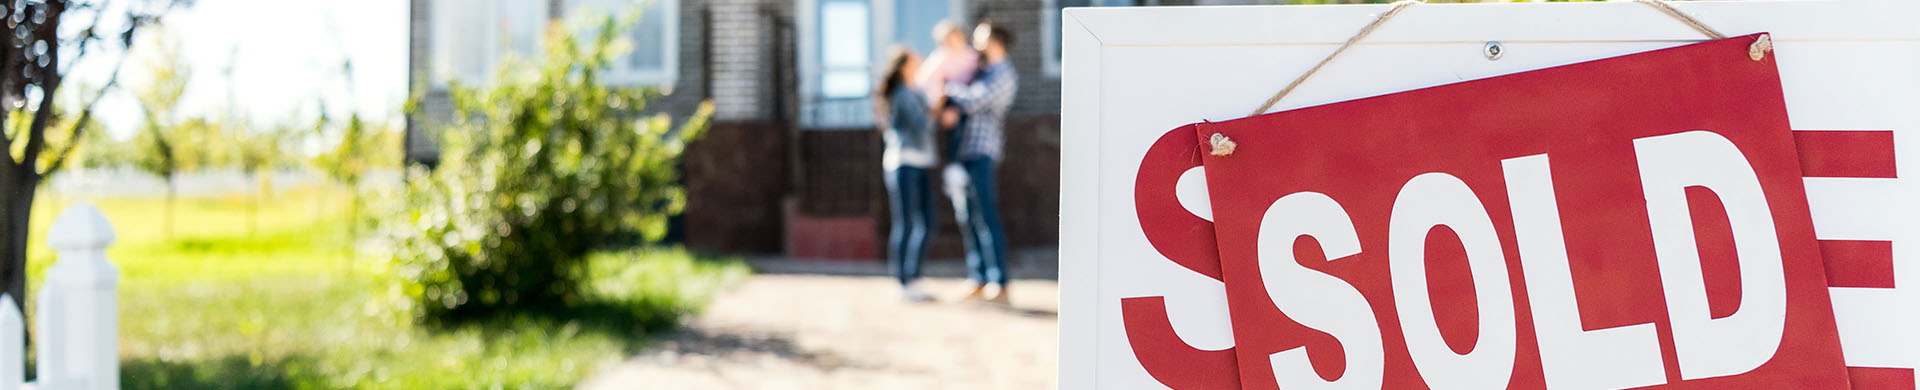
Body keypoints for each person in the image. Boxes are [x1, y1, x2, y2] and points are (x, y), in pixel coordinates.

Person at [942, 21, 1018, 305]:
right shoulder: (982, 72)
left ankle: (999, 281)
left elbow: (975, 101)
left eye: (980, 38)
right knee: (969, 217)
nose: (975, 44)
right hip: (966, 152)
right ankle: (979, 278)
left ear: (995, 41)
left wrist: (948, 87)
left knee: (986, 216)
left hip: (983, 152)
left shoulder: (1003, 74)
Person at [874, 46, 939, 302]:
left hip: (923, 162)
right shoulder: (901, 94)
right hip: (903, 163)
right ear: (904, 66)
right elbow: (922, 125)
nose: (920, 60)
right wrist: (939, 105)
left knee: (928, 223)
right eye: (915, 58)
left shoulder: (916, 91)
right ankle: (903, 282)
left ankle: (914, 277)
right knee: (907, 223)